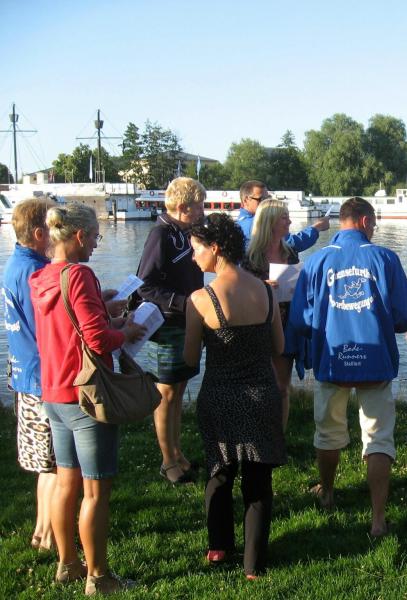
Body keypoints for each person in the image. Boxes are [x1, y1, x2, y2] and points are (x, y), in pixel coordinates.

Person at [29, 203, 146, 594]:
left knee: (66, 483)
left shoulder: (42, 276)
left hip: (53, 392)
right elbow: (97, 340)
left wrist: (104, 313)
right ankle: (99, 576)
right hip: (86, 395)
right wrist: (126, 332)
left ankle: (67, 564)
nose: (96, 243)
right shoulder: (79, 274)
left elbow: (71, 327)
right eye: (95, 236)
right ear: (79, 236)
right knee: (95, 491)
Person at [287, 197, 407, 536]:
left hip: (332, 358)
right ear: (363, 221)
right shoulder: (385, 258)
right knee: (378, 437)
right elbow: (404, 316)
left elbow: (301, 319)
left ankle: (328, 493)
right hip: (376, 361)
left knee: (328, 431)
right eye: (373, 223)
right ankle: (378, 519)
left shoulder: (317, 261)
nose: (374, 229)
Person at [184, 213, 286, 580]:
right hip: (261, 394)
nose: (193, 256)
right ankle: (254, 563)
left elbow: (190, 359)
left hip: (220, 396)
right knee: (258, 481)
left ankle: (219, 545)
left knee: (219, 471)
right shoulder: (266, 291)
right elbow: (279, 346)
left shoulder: (201, 299)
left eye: (196, 249)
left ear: (214, 248)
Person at [136, 177, 205, 484]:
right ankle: (167, 462)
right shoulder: (161, 234)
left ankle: (178, 453)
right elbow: (145, 284)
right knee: (165, 393)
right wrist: (182, 302)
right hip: (166, 325)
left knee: (178, 390)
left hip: (187, 320)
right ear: (182, 206)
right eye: (198, 206)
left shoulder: (186, 232)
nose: (202, 211)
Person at [3, 197, 57, 553]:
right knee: (55, 464)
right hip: (41, 377)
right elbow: (48, 326)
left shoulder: (17, 264)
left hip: (26, 373)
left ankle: (40, 529)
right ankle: (49, 535)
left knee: (44, 463)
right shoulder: (35, 272)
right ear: (39, 233)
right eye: (54, 228)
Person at [242, 199, 321, 430]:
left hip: (287, 325)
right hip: (259, 326)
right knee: (258, 384)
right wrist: (260, 287)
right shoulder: (250, 257)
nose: (289, 221)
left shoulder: (290, 252)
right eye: (284, 218)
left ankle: (278, 436)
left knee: (281, 386)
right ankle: (256, 432)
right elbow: (238, 293)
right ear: (270, 222)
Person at [235, 179, 330, 246]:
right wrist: (317, 227)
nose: (266, 203)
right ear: (246, 200)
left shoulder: (240, 223)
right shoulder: (255, 224)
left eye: (268, 199)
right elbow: (291, 244)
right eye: (261, 199)